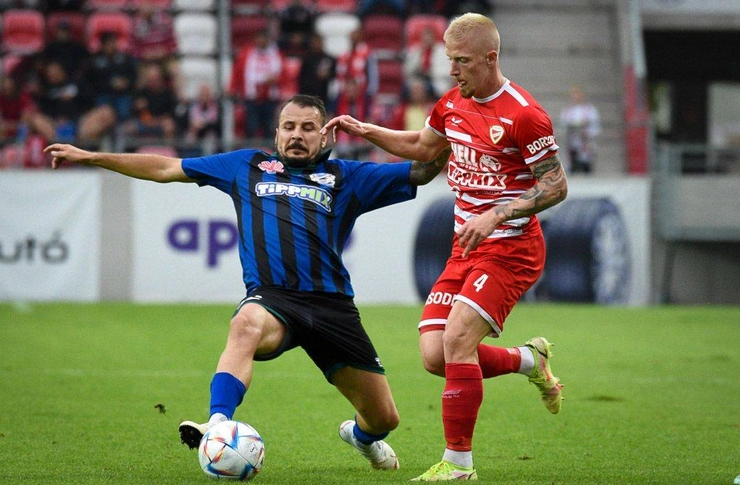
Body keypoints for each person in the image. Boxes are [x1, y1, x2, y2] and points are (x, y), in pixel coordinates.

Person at [44, 94, 451, 471]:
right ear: (276, 133)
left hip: (333, 307)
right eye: (288, 126)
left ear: (326, 135)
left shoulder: (348, 176)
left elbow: (424, 169)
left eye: (308, 127)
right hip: (274, 300)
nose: (296, 134)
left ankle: (361, 438)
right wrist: (92, 156)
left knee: (384, 419)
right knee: (245, 324)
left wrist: (456, 135)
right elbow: (166, 168)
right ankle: (217, 423)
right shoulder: (246, 166)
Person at [322, 13, 568, 481]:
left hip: (511, 247)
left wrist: (496, 214)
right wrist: (366, 130)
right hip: (465, 247)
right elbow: (422, 146)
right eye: (449, 60)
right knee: (436, 356)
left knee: (457, 342)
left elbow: (556, 186)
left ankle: (458, 464)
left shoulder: (524, 114)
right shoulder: (453, 102)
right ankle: (528, 360)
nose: (453, 70)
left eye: (462, 61)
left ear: (490, 58)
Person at [559, 85, 601, 174]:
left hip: (585, 141)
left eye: (578, 95)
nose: (576, 97)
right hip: (572, 141)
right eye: (574, 95)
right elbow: (563, 125)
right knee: (573, 165)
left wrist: (587, 132)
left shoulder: (590, 110)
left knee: (586, 165)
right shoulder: (567, 111)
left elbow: (595, 125)